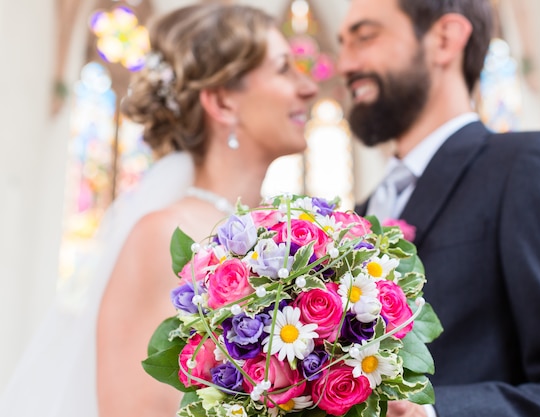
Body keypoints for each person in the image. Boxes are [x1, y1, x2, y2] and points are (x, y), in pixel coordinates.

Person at [0, 3, 317, 417]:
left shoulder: (291, 238)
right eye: (283, 68)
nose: (308, 87)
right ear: (222, 103)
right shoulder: (161, 238)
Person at [337, 0, 540, 416]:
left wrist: (434, 413)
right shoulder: (357, 216)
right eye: (342, 43)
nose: (345, 63)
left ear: (445, 39)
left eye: (366, 37)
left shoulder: (531, 167)